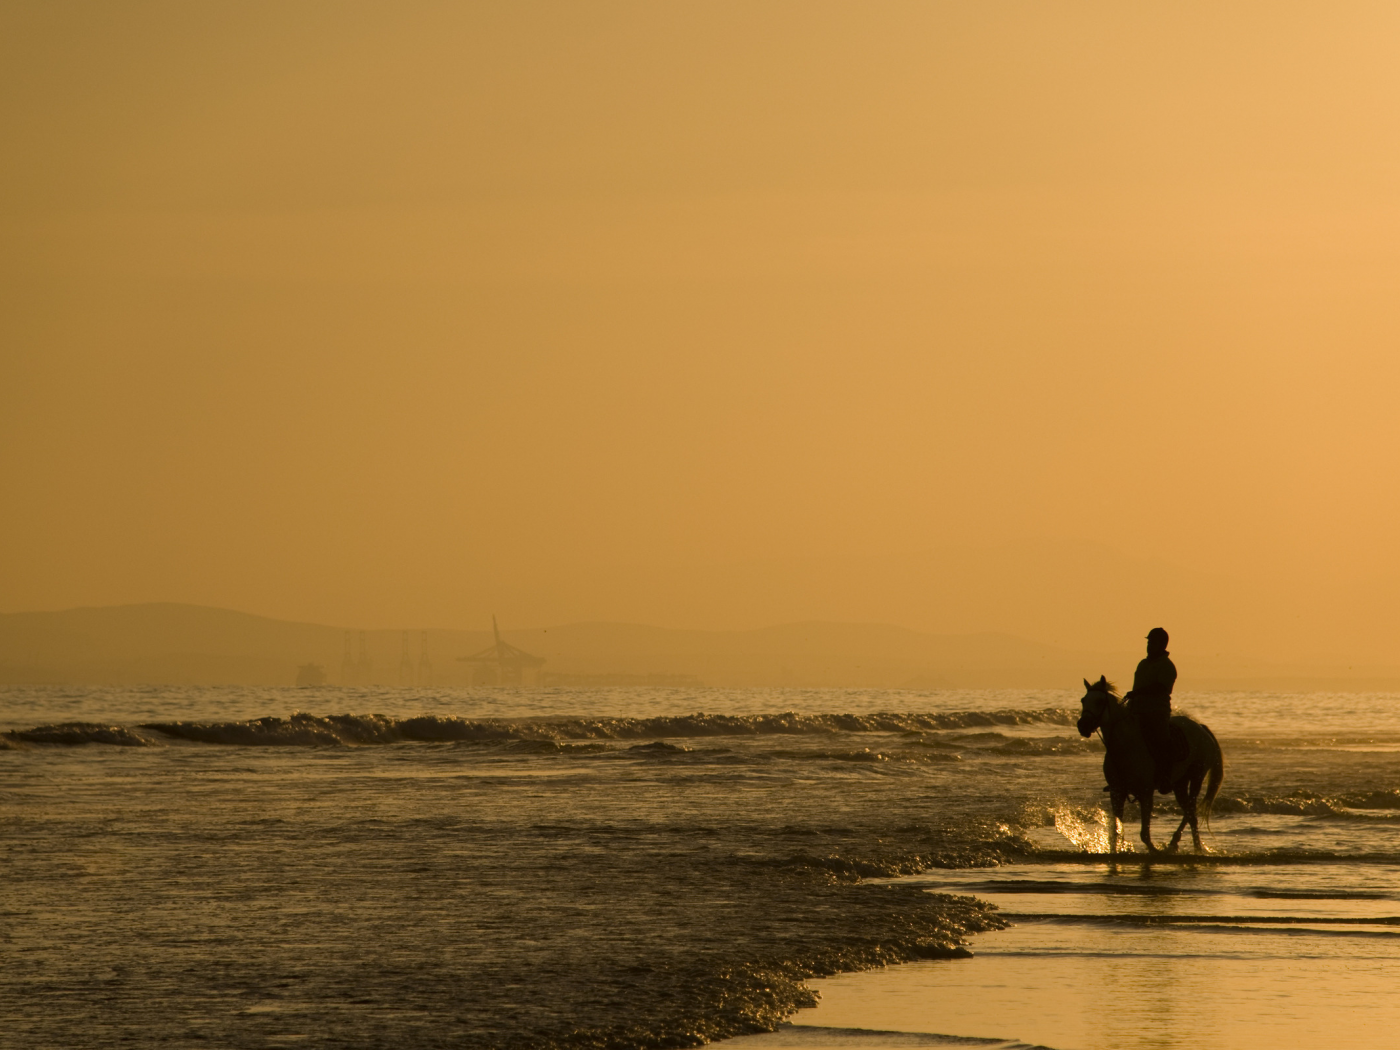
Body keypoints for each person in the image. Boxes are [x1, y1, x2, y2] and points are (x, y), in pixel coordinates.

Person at [1124, 627, 1178, 792]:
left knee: (1161, 741)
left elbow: (1161, 688)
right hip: (1136, 710)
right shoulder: (1143, 663)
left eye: (1152, 642)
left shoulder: (1167, 666)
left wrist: (1138, 693)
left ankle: (1165, 777)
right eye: (1148, 642)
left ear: (1162, 644)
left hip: (1156, 711)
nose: (1148, 646)